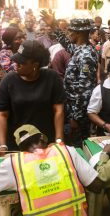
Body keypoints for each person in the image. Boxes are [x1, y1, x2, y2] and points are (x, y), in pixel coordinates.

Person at [0, 124, 103, 215]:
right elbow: (97, 185)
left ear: (20, 148)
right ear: (42, 137)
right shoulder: (66, 151)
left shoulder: (14, 163)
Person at [0, 40, 65, 159]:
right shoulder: (8, 81)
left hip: (46, 143)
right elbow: (2, 115)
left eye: (22, 62)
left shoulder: (52, 78)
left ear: (35, 64)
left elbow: (58, 110)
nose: (16, 64)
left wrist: (59, 141)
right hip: (17, 144)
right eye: (16, 60)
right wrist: (3, 146)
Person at [41, 11, 98, 147]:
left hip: (78, 113)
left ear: (77, 33)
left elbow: (85, 90)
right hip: (72, 107)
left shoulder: (86, 55)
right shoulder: (80, 48)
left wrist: (76, 118)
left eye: (70, 31)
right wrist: (54, 25)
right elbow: (67, 44)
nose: (68, 34)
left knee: (78, 146)